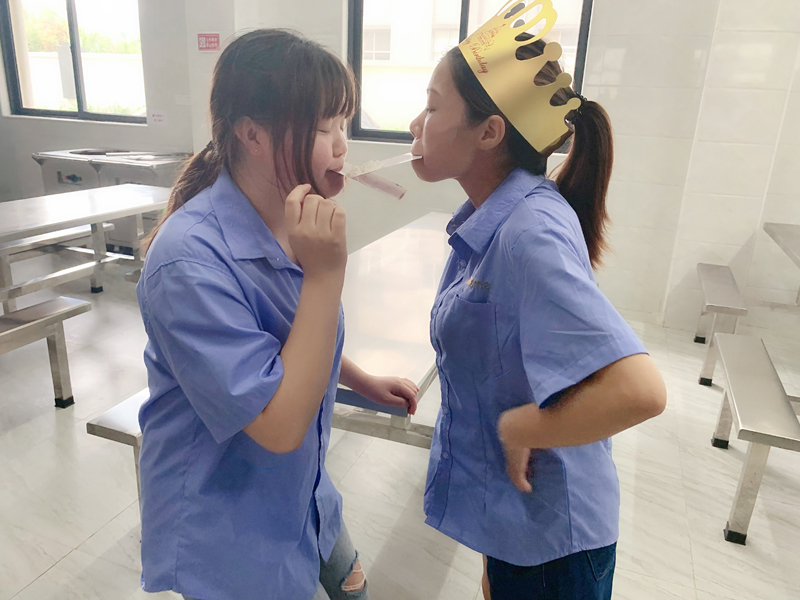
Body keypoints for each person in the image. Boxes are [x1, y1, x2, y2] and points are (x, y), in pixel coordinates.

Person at [135, 29, 418, 600]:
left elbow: (291, 339)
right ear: (253, 134)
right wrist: (326, 275)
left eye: (344, 124)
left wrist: (359, 379)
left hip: (302, 490)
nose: (342, 146)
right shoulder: (187, 262)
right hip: (229, 520)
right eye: (324, 127)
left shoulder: (288, 219)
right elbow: (279, 425)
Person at [408, 22, 667, 600]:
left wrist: (518, 427)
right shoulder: (499, 218)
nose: (414, 125)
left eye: (432, 106)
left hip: (553, 551)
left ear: (490, 132)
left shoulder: (529, 233)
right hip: (518, 529)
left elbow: (639, 390)